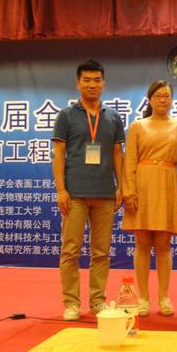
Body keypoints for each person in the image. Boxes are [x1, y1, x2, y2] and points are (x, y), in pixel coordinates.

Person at [52, 59, 125, 321]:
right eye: (87, 80)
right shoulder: (66, 115)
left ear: (104, 84)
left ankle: (97, 301)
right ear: (78, 83)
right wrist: (61, 189)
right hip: (75, 194)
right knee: (70, 250)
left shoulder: (113, 116)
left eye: (97, 80)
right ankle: (71, 303)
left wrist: (121, 186)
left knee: (101, 252)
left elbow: (117, 154)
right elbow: (58, 154)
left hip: (105, 193)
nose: (92, 85)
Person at [122, 80, 177, 317]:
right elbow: (129, 161)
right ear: (150, 99)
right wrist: (129, 192)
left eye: (167, 95)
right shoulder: (138, 126)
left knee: (163, 243)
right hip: (142, 185)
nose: (163, 99)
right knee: (142, 243)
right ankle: (143, 297)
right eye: (158, 95)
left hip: (168, 184)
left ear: (172, 100)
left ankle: (163, 296)